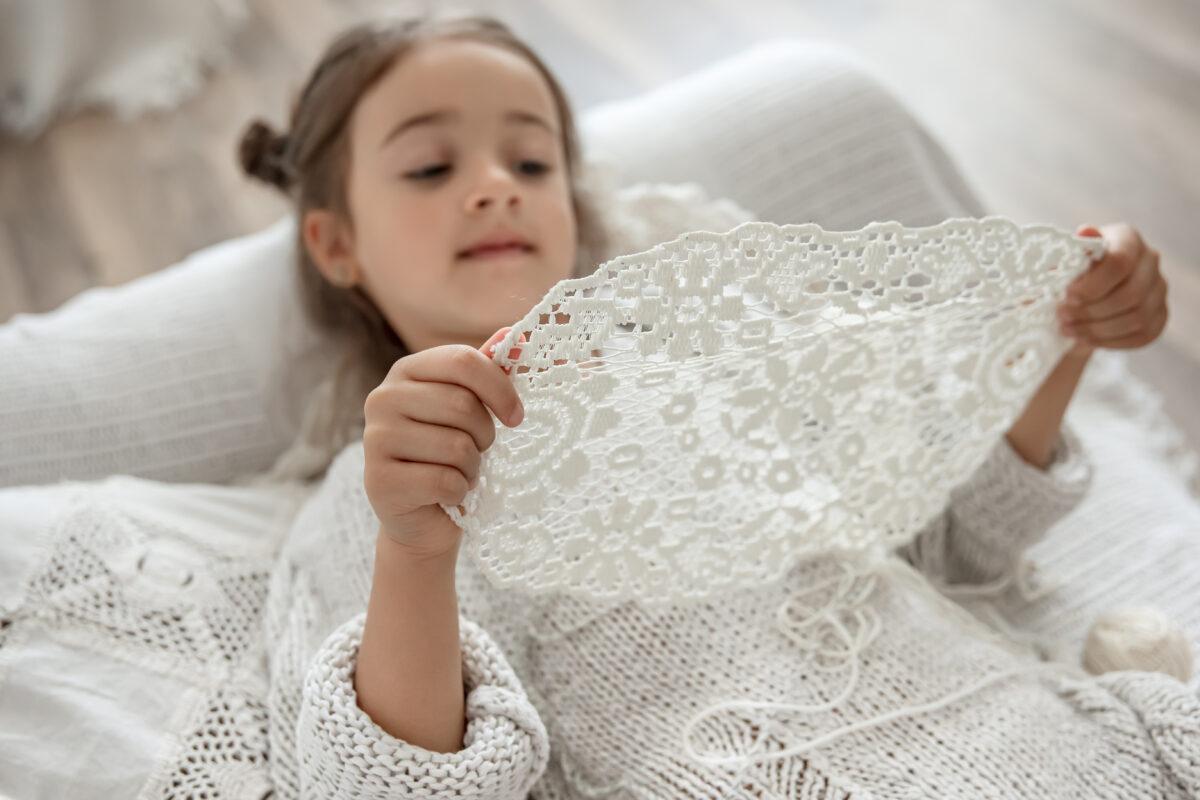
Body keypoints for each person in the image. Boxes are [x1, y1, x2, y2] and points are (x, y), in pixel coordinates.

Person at [233, 12, 1192, 800]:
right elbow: (386, 783)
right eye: (432, 168)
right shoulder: (377, 500)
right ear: (334, 243)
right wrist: (413, 551)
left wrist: (1058, 336)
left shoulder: (712, 379)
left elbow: (951, 549)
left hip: (1049, 748)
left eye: (531, 164)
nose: (495, 187)